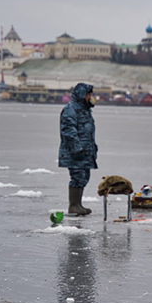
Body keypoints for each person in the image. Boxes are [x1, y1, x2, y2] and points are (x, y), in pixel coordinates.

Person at [58, 82, 98, 216]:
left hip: (86, 151)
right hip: (75, 152)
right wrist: (76, 149)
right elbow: (68, 130)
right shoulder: (71, 109)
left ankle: (78, 204)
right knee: (77, 176)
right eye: (88, 95)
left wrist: (93, 149)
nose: (90, 97)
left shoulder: (84, 109)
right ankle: (74, 206)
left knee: (84, 177)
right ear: (81, 95)